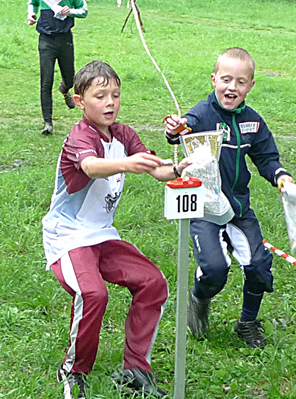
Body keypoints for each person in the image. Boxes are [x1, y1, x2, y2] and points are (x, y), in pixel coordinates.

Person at [43, 60, 191, 399]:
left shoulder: (124, 135)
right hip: (67, 236)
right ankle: (73, 372)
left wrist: (180, 167)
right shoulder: (79, 137)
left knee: (153, 283)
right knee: (94, 293)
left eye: (116, 95)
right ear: (80, 102)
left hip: (102, 234)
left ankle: (135, 369)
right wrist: (127, 163)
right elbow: (91, 166)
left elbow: (158, 171)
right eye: (100, 96)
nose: (110, 103)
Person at [164, 47, 294, 349]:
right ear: (214, 79)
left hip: (238, 210)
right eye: (225, 79)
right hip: (206, 209)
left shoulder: (253, 122)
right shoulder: (204, 113)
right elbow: (184, 128)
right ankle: (199, 297)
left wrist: (280, 176)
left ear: (250, 85)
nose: (231, 87)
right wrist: (175, 129)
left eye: (239, 82)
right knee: (215, 270)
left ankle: (247, 322)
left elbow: (267, 157)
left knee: (260, 266)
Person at [27, 0, 88, 135]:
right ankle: (48, 122)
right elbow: (33, 3)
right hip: (46, 39)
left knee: (70, 78)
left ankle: (64, 89)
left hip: (64, 38)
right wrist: (31, 15)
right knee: (46, 81)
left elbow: (84, 10)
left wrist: (71, 11)